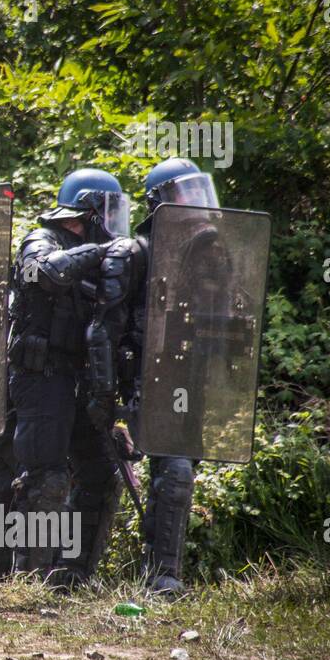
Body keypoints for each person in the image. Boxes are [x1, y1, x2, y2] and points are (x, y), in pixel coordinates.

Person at [5, 167, 130, 582]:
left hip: (82, 382)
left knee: (100, 475)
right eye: (108, 213)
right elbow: (46, 272)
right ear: (89, 212)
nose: (114, 224)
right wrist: (103, 252)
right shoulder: (41, 240)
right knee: (46, 479)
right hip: (40, 379)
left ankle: (73, 573)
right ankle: (30, 575)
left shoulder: (106, 257)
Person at [123, 158, 222, 597]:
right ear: (158, 203)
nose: (194, 204)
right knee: (173, 468)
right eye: (183, 195)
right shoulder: (140, 252)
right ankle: (159, 575)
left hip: (192, 376)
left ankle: (163, 573)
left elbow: (227, 314)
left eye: (196, 191)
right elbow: (112, 325)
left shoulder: (214, 255)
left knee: (180, 474)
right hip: (150, 377)